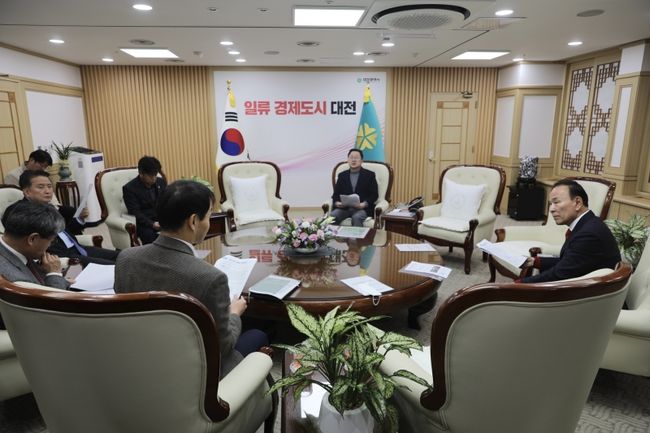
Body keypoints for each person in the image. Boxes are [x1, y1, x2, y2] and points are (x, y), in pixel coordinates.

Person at [115, 180, 267, 378]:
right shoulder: (211, 278)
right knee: (258, 334)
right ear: (193, 221)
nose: (209, 222)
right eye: (209, 216)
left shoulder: (126, 259)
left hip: (137, 363)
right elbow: (223, 346)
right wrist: (234, 313)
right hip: (194, 375)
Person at [520, 179, 621, 283]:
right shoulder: (587, 223)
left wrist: (516, 285)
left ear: (577, 203)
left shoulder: (588, 234)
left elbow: (559, 274)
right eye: (551, 204)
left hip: (589, 291)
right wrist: (534, 261)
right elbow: (570, 262)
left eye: (556, 202)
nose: (551, 209)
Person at [19, 170, 119, 266]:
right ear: (27, 192)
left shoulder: (49, 207)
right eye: (40, 187)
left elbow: (65, 232)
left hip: (78, 248)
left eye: (49, 186)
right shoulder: (21, 213)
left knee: (123, 256)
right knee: (117, 266)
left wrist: (79, 219)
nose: (47, 191)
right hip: (63, 257)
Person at [123, 156, 167, 244]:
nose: (154, 178)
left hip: (161, 218)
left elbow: (166, 202)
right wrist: (152, 224)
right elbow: (135, 212)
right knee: (150, 237)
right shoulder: (129, 188)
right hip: (144, 223)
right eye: (151, 176)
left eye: (155, 174)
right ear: (141, 173)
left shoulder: (161, 182)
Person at [330, 149, 379, 227]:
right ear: (348, 160)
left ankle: (357, 236)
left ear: (361, 160)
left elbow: (374, 194)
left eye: (356, 157)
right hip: (345, 209)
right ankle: (333, 235)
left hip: (362, 209)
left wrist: (364, 204)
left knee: (357, 217)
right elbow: (336, 194)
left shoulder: (370, 175)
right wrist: (337, 203)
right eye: (351, 157)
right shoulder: (342, 175)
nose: (353, 160)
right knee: (333, 215)